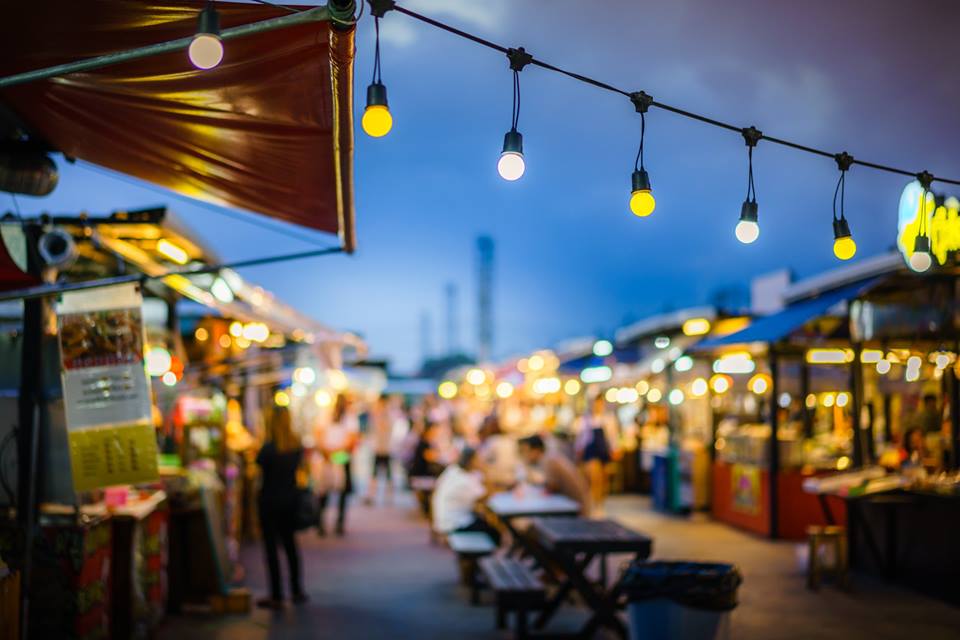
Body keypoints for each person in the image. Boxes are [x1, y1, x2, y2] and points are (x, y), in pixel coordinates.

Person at [255, 406, 306, 608]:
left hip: (269, 501)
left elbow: (259, 468)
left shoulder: (268, 449)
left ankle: (276, 594)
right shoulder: (296, 446)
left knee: (271, 549)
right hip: (290, 501)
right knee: (291, 545)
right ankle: (296, 590)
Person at [431, 447, 500, 544]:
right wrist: (485, 471)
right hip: (456, 523)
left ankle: (470, 557)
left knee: (483, 522)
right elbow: (485, 497)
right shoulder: (466, 480)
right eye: (478, 459)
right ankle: (471, 556)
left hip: (443, 520)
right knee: (494, 534)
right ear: (471, 461)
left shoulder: (453, 470)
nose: (481, 461)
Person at [316, 394, 359, 536]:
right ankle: (328, 522)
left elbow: (351, 438)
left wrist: (330, 452)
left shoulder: (347, 417)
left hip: (335, 456)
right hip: (334, 455)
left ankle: (330, 522)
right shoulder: (330, 415)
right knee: (328, 489)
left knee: (335, 489)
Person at [518, 434, 590, 514]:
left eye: (526, 451)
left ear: (536, 450)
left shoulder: (549, 460)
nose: (525, 455)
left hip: (577, 510)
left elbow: (552, 487)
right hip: (573, 505)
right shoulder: (550, 457)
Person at [574, 395, 619, 512]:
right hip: (591, 451)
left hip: (603, 451)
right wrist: (578, 449)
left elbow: (612, 437)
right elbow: (581, 438)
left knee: (603, 480)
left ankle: (599, 503)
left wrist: (615, 449)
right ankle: (593, 503)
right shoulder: (585, 419)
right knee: (594, 477)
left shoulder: (608, 418)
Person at [365, 394, 395, 505]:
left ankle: (388, 497)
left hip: (385, 448)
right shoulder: (378, 415)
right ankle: (372, 495)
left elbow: (384, 428)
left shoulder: (387, 415)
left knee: (387, 474)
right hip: (378, 448)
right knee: (375, 474)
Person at [478, 413, 519, 489]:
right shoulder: (510, 439)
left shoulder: (492, 441)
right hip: (512, 477)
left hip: (498, 480)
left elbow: (481, 460)